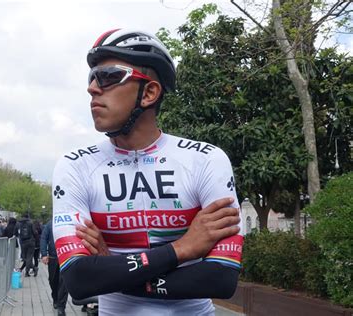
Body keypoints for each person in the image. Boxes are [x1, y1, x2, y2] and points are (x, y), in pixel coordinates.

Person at [51, 29, 244, 315]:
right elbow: (79, 280)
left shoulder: (205, 160)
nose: (93, 88)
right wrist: (182, 249)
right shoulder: (74, 165)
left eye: (108, 76)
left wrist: (115, 274)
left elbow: (221, 279)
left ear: (150, 92)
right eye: (92, 78)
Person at [41, 220, 68, 316]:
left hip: (66, 256)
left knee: (64, 282)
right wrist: (44, 254)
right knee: (53, 280)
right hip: (53, 257)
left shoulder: (68, 222)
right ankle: (55, 298)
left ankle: (61, 306)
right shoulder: (49, 224)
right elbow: (43, 238)